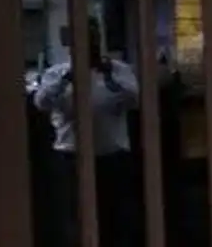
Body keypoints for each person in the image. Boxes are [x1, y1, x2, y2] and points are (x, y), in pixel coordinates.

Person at [34, 17, 141, 247]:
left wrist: (109, 78)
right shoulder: (57, 73)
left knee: (114, 217)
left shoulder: (118, 70)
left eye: (93, 38)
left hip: (111, 156)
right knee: (74, 215)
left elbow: (134, 99)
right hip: (71, 156)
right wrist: (67, 79)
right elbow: (41, 102)